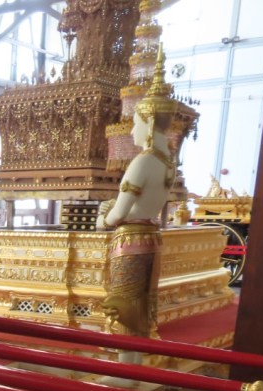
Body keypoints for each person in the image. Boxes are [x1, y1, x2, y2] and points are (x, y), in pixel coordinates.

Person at [96, 47, 177, 338]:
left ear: (149, 122)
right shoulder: (168, 163)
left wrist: (103, 218)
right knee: (141, 307)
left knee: (124, 307)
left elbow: (119, 213)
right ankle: (136, 360)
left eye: (136, 125)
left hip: (130, 240)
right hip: (151, 239)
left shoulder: (144, 162)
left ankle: (126, 362)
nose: (132, 132)